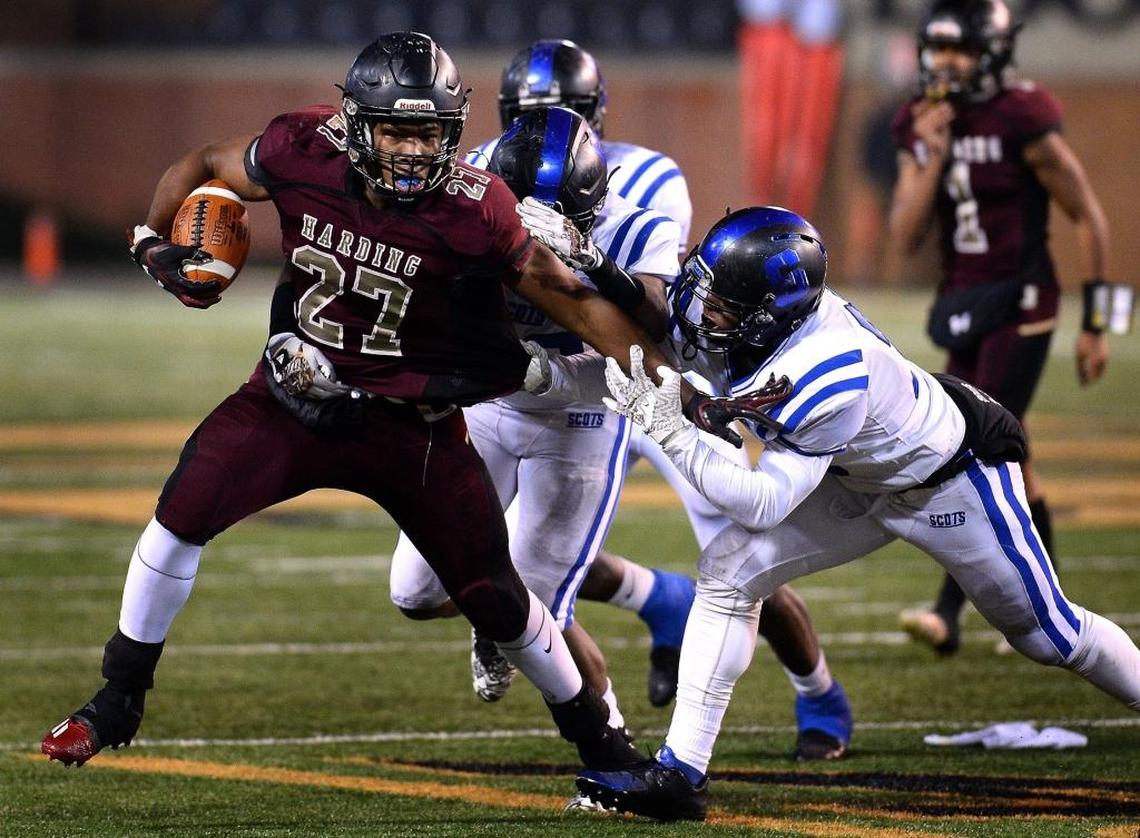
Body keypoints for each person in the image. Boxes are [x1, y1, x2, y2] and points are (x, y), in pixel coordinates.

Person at [38, 32, 706, 772]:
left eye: (429, 133)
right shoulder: (302, 148)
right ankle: (119, 696)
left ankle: (603, 744)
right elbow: (202, 166)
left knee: (500, 602)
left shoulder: (477, 208)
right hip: (291, 398)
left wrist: (668, 382)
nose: (415, 151)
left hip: (412, 426)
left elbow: (576, 307)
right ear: (356, 126)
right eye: (396, 130)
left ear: (453, 131)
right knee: (179, 515)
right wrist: (150, 238)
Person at [573, 206, 1140, 821]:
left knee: (1046, 633)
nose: (703, 313)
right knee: (729, 572)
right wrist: (593, 267)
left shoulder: (824, 369)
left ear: (769, 316)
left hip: (949, 480)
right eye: (705, 289)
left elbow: (762, 502)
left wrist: (670, 432)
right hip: (855, 471)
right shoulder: (761, 322)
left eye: (724, 307)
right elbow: (658, 332)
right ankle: (680, 772)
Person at [469, 39, 854, 761]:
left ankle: (818, 691)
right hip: (560, 394)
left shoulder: (645, 176)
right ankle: (659, 601)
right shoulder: (486, 169)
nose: (549, 127)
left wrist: (584, 265)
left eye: (567, 112)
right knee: (521, 552)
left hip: (653, 376)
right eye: (532, 115)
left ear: (596, 114)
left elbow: (656, 313)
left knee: (739, 554)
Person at [388, 105, 679, 745]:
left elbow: (658, 329)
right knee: (411, 593)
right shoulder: (467, 195)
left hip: (581, 418)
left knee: (533, 617)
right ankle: (490, 615)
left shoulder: (637, 230)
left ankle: (618, 750)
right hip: (491, 402)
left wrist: (595, 262)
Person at [887, 0, 1117, 655]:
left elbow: (1089, 216)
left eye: (959, 50)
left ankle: (947, 611)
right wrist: (929, 154)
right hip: (963, 302)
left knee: (979, 448)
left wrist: (1099, 325)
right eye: (938, 50)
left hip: (1024, 298)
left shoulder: (1021, 114)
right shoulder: (920, 121)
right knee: (1010, 461)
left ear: (990, 50)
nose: (945, 64)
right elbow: (904, 236)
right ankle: (1052, 604)